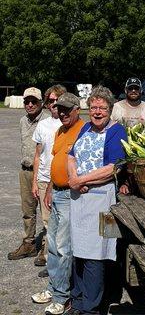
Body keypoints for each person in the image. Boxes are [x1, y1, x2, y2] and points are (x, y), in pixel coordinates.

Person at [66, 85, 128, 314]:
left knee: (98, 254)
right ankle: (78, 300)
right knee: (79, 252)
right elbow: (70, 155)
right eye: (93, 107)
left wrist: (81, 180)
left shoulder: (116, 131)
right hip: (80, 200)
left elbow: (114, 168)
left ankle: (92, 307)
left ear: (110, 109)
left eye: (102, 107)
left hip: (104, 202)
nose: (97, 112)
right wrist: (74, 178)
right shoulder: (84, 129)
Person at [31, 93, 85, 315]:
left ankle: (62, 296)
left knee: (64, 248)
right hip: (57, 193)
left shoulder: (84, 130)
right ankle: (53, 288)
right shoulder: (60, 131)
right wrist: (51, 189)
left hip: (72, 196)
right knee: (52, 244)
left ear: (77, 110)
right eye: (58, 108)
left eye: (66, 109)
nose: (61, 113)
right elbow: (56, 161)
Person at [8, 87, 49, 261]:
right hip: (25, 170)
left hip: (43, 172)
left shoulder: (48, 121)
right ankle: (29, 243)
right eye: (27, 101)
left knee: (46, 212)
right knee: (27, 211)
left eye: (34, 101)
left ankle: (47, 248)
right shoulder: (22, 121)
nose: (30, 105)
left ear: (41, 103)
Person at [31, 85, 66, 272]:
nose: (53, 104)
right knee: (47, 222)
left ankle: (57, 259)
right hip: (44, 179)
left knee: (61, 223)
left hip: (62, 180)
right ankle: (48, 257)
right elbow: (37, 155)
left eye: (56, 100)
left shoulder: (67, 123)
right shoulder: (42, 125)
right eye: (50, 101)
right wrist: (35, 181)